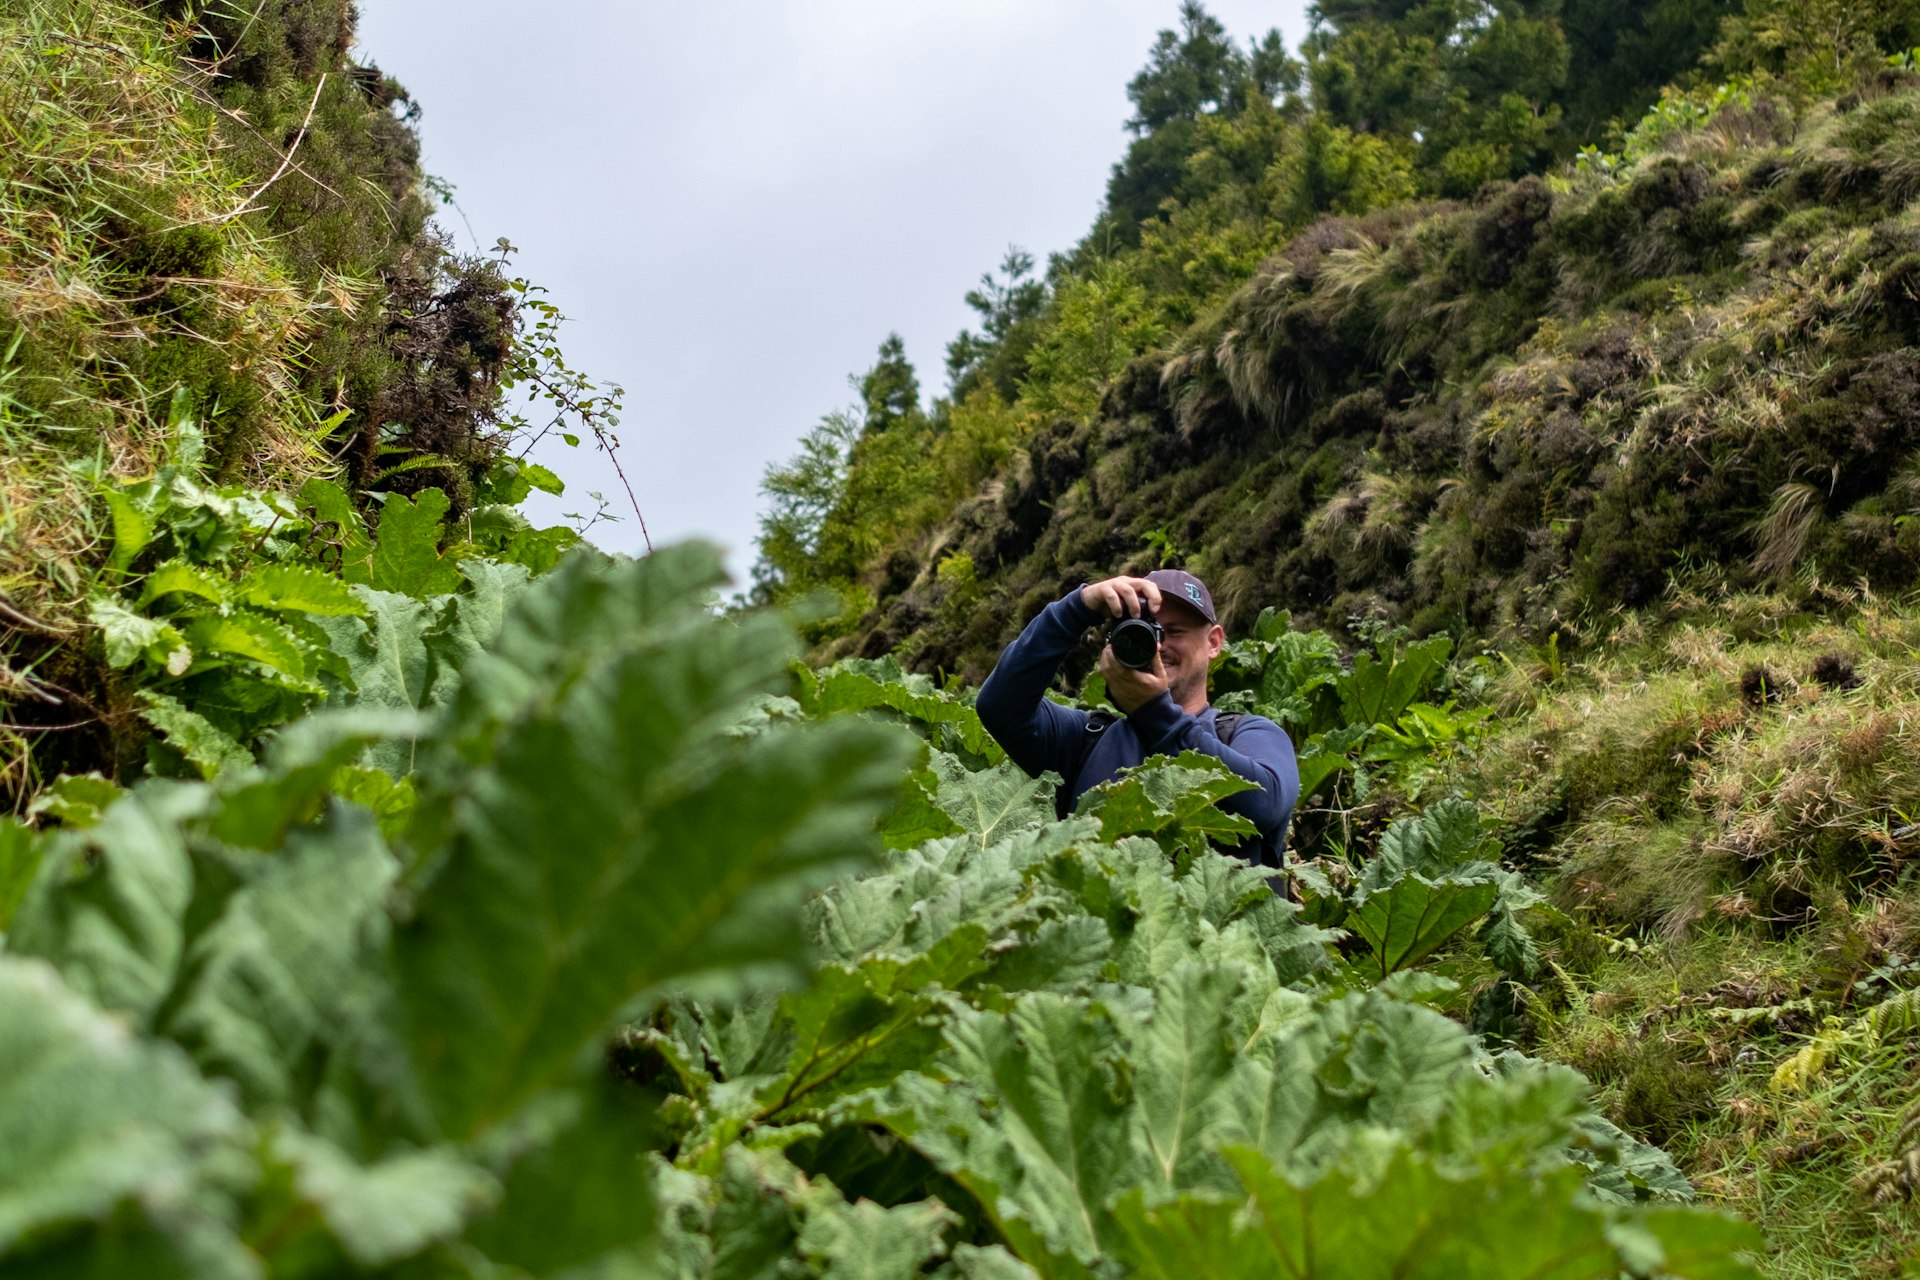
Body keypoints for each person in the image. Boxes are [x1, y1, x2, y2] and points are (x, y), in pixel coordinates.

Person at [975, 569, 1299, 870]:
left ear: (1214, 642)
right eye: (1144, 630)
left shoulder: (1249, 734)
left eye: (1173, 632)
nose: (1159, 645)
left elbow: (1264, 803)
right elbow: (999, 706)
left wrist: (1154, 713)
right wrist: (1078, 608)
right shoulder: (1085, 740)